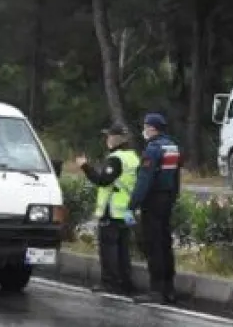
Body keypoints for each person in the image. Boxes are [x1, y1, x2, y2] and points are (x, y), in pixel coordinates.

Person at [76, 123, 140, 296]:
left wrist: (85, 166)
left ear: (116, 139)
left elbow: (103, 180)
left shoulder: (116, 158)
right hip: (127, 211)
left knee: (109, 248)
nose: (107, 139)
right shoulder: (133, 157)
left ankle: (110, 282)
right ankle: (125, 282)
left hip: (112, 210)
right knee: (123, 248)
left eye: (109, 136)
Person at [128, 112, 181, 304]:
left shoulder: (153, 149)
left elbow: (144, 180)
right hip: (167, 199)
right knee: (165, 243)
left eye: (145, 126)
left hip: (153, 200)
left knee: (154, 245)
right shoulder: (172, 146)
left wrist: (132, 205)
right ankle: (169, 289)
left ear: (152, 128)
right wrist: (173, 198)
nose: (144, 130)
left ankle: (156, 290)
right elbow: (176, 177)